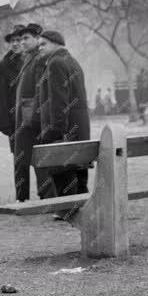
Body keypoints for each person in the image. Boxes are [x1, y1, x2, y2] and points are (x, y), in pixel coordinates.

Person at [36, 31, 90, 205]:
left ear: (56, 43)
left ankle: (67, 209)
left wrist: (54, 131)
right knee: (78, 169)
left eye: (43, 44)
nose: (40, 48)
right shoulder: (72, 61)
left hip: (64, 129)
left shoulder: (55, 63)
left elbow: (58, 100)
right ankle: (81, 206)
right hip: (79, 127)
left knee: (63, 170)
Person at [13, 23, 50, 201]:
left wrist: (35, 118)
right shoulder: (28, 59)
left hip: (33, 119)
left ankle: (46, 197)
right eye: (21, 39)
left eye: (26, 38)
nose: (22, 42)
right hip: (23, 119)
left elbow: (40, 90)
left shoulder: (40, 59)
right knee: (21, 160)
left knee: (38, 159)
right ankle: (22, 197)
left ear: (37, 39)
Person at [0, 24, 26, 153]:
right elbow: (0, 98)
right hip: (15, 122)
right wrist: (4, 124)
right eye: (12, 41)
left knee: (40, 162)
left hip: (36, 120)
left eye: (18, 40)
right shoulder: (2, 67)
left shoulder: (38, 61)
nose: (15, 44)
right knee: (20, 163)